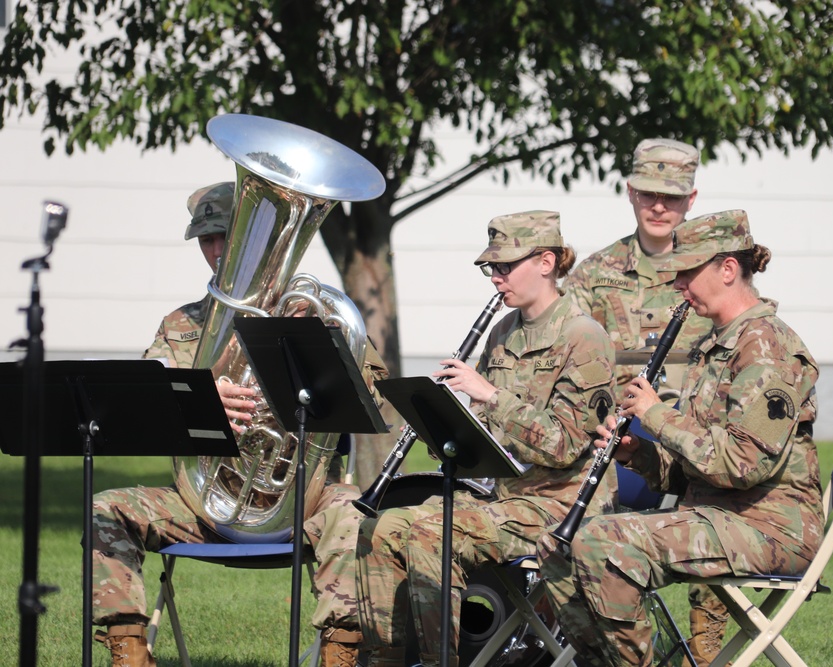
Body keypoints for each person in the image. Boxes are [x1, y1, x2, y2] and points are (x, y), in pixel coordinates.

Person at [91, 183, 388, 667]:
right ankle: (129, 650)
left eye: (226, 237)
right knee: (106, 508)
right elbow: (140, 405)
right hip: (202, 503)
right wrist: (201, 395)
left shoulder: (308, 314)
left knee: (356, 510)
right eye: (205, 240)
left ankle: (340, 653)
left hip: (300, 502)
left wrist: (331, 358)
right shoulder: (180, 325)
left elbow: (375, 404)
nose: (214, 252)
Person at [537, 209, 824, 667]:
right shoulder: (718, 344)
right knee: (557, 545)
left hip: (770, 526)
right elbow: (695, 469)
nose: (677, 285)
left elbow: (741, 465)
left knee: (605, 543)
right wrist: (639, 455)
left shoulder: (768, 349)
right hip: (718, 512)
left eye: (688, 272)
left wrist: (657, 415)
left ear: (728, 269)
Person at [355, 210, 617, 667]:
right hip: (504, 498)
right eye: (490, 268)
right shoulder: (503, 332)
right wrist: (444, 422)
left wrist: (489, 395)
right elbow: (487, 435)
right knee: (380, 527)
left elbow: (564, 445)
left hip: (561, 507)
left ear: (546, 262)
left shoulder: (584, 337)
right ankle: (384, 660)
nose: (495, 278)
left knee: (429, 533)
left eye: (505, 266)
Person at [562, 138, 727, 665]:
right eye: (650, 194)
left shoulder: (712, 272)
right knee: (557, 494)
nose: (661, 207)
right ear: (631, 192)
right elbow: (571, 362)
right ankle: (580, 639)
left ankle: (705, 649)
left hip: (695, 433)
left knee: (718, 497)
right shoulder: (595, 273)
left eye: (673, 197)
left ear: (692, 199)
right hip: (621, 435)